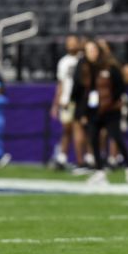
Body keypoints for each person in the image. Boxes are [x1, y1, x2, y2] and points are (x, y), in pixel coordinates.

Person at [71, 40, 128, 186]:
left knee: (117, 137)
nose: (91, 54)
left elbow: (120, 86)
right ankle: (100, 171)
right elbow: (83, 91)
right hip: (94, 110)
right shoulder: (86, 68)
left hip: (111, 109)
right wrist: (84, 112)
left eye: (93, 50)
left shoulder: (111, 66)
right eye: (88, 51)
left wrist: (112, 102)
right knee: (94, 139)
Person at [49, 35, 87, 170]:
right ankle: (62, 157)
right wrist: (56, 102)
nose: (70, 45)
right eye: (68, 42)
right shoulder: (63, 62)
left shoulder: (84, 59)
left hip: (80, 99)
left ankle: (84, 159)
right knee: (66, 129)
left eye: (73, 42)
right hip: (66, 100)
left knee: (83, 129)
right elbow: (60, 83)